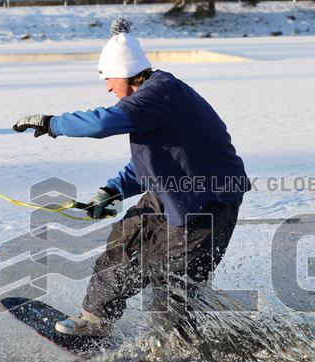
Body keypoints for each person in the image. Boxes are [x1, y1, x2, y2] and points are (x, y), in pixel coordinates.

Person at [13, 18, 250, 337]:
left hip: (208, 200)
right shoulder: (153, 100)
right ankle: (94, 323)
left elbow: (101, 124)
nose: (109, 87)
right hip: (170, 192)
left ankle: (178, 350)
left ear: (125, 73)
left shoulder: (161, 94)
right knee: (125, 242)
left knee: (171, 287)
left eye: (109, 78)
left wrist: (52, 123)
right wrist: (112, 190)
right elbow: (154, 161)